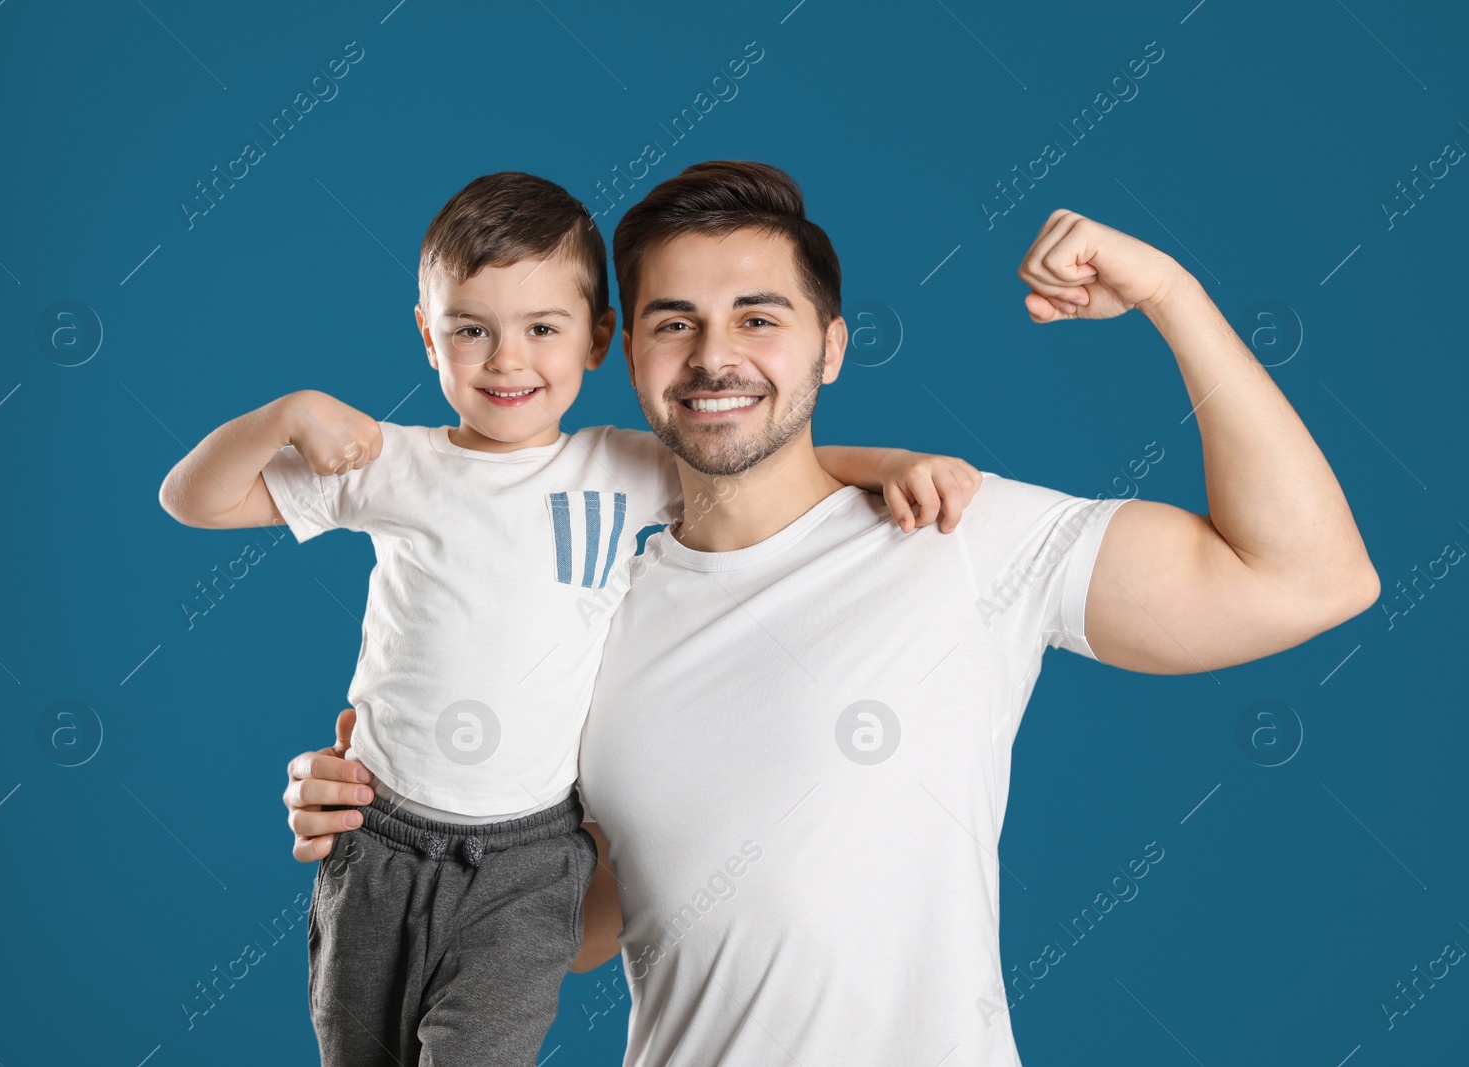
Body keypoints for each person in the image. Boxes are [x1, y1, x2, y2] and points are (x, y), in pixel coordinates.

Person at [284, 161, 1380, 1065]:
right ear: (624, 353)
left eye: (758, 317)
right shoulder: (591, 603)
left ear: (831, 345)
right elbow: (569, 924)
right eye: (678, 322)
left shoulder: (955, 535)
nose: (716, 356)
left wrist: (1171, 296)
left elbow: (1307, 578)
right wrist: (388, 817)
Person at [158, 170, 982, 1066]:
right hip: (380, 832)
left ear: (597, 340)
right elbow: (191, 499)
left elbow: (767, 464)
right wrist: (287, 414)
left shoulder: (621, 466)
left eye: (541, 329)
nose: (507, 361)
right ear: (428, 336)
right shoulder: (388, 463)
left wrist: (893, 460)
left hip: (530, 857)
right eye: (470, 330)